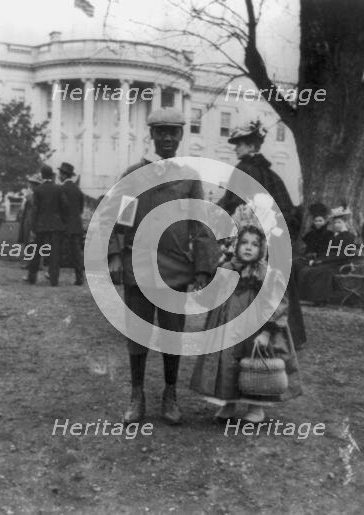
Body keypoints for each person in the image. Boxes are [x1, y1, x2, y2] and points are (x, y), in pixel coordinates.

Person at [106, 107, 217, 425]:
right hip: (138, 267)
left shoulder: (189, 178)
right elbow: (116, 219)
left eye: (173, 131)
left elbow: (201, 223)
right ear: (151, 135)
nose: (167, 137)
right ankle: (136, 395)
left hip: (175, 270)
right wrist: (115, 255)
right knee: (137, 333)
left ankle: (170, 395)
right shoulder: (133, 175)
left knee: (172, 333)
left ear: (181, 135)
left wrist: (203, 268)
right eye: (161, 132)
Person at [190, 224, 302, 423]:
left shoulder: (266, 273)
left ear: (262, 249)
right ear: (236, 245)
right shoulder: (227, 268)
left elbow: (277, 302)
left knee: (255, 362)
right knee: (227, 362)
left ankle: (255, 406)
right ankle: (229, 402)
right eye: (244, 243)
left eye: (255, 244)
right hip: (228, 323)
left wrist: (268, 331)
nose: (248, 247)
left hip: (255, 326)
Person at [217, 119, 306, 349]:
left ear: (250, 146)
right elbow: (289, 214)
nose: (236, 148)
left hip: (249, 243)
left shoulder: (243, 171)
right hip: (272, 244)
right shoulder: (272, 175)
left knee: (248, 283)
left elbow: (230, 205)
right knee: (273, 284)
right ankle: (286, 333)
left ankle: (242, 333)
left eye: (239, 144)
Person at [297, 208, 356, 305]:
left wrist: (324, 261)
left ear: (345, 223)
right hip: (331, 262)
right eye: (335, 223)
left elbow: (343, 255)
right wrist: (320, 260)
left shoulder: (348, 236)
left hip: (341, 263)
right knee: (307, 269)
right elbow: (327, 252)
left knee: (319, 271)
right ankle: (309, 297)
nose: (336, 225)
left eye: (339, 222)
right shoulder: (334, 236)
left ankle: (320, 299)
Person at [25, 164, 68, 287]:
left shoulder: (38, 190)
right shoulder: (59, 189)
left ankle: (32, 277)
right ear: (51, 175)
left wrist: (33, 227)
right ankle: (54, 280)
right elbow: (65, 206)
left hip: (41, 225)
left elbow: (35, 210)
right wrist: (63, 222)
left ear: (42, 175)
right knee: (54, 253)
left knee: (36, 252)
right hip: (56, 225)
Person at [59, 162, 85, 286]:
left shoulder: (61, 189)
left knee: (58, 250)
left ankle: (53, 274)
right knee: (76, 253)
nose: (59, 175)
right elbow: (81, 209)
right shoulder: (78, 190)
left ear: (64, 175)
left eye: (60, 173)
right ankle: (79, 278)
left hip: (64, 225)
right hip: (77, 225)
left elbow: (61, 207)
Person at [17, 174, 41, 246]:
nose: (31, 186)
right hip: (27, 224)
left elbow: (36, 207)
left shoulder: (36, 195)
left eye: (33, 184)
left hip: (33, 226)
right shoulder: (30, 195)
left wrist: (29, 197)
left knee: (32, 247)